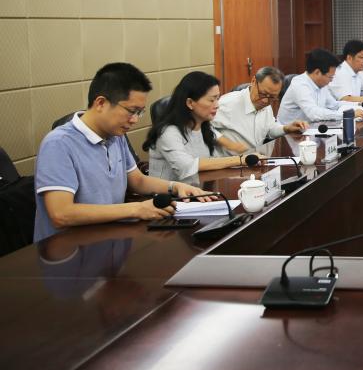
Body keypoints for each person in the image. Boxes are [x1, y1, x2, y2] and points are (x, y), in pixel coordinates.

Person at [33, 62, 209, 242]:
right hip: (68, 248)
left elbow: (137, 181)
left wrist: (175, 186)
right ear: (101, 103)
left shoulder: (115, 135)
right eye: (131, 111)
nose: (135, 120)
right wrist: (137, 209)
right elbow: (61, 214)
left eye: (140, 112)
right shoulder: (59, 144)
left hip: (108, 238)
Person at [144, 71, 258, 185]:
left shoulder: (204, 126)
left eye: (217, 99)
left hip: (197, 190)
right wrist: (239, 160)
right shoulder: (168, 132)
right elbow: (186, 167)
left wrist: (242, 176)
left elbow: (213, 162)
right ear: (190, 103)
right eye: (212, 100)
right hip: (168, 194)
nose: (217, 105)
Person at [212, 66, 309, 155]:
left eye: (272, 97)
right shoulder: (228, 103)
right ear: (254, 81)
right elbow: (205, 128)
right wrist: (229, 144)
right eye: (262, 94)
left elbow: (269, 130)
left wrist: (287, 128)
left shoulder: (266, 106)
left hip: (257, 161)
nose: (265, 101)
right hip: (231, 164)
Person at [278, 48, 363, 124]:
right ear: (317, 72)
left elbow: (334, 105)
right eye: (330, 77)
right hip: (290, 134)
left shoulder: (321, 84)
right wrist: (348, 114)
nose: (331, 80)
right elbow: (313, 113)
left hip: (311, 129)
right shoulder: (300, 84)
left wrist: (359, 104)